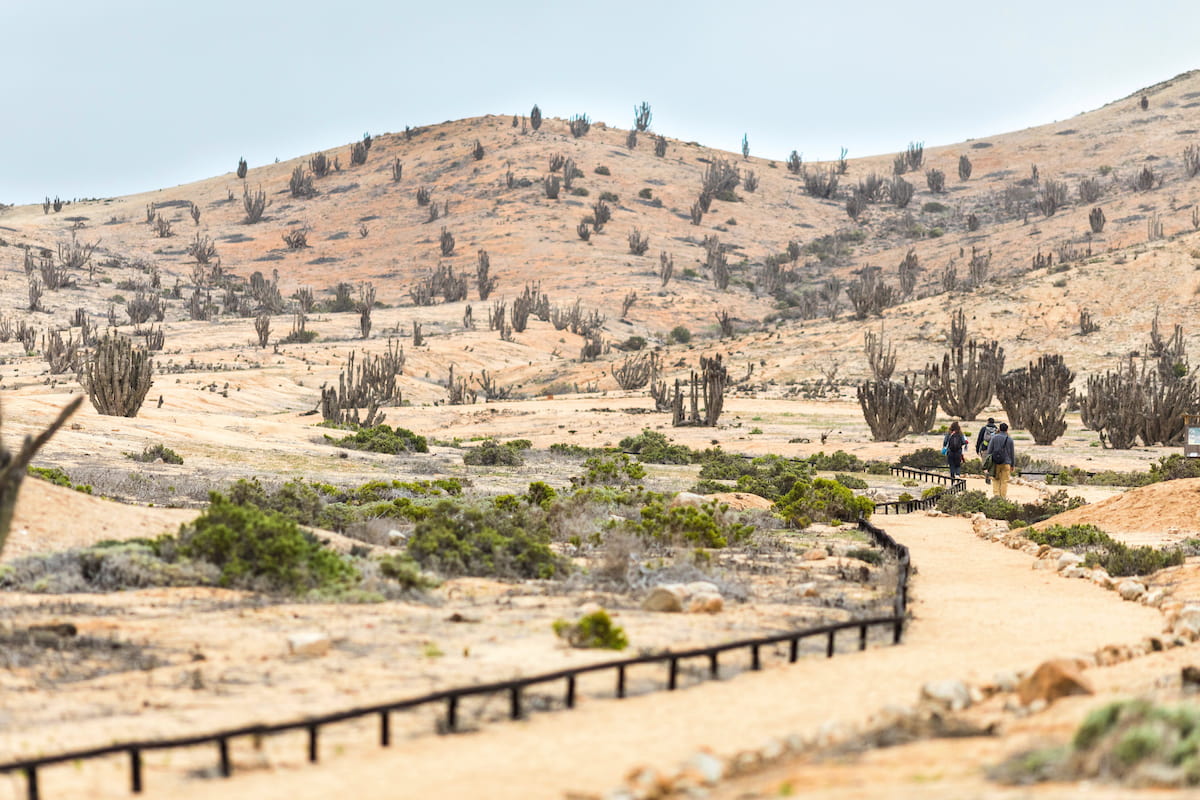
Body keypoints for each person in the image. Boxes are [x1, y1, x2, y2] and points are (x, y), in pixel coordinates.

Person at [986, 422, 1016, 499]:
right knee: (1004, 481)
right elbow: (1012, 453)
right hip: (1006, 463)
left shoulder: (994, 438)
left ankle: (996, 496)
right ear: (1007, 430)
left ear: (999, 429)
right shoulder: (1010, 439)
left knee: (996, 479)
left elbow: (989, 451)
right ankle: (1003, 497)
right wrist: (1012, 465)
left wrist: (988, 463)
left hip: (996, 462)